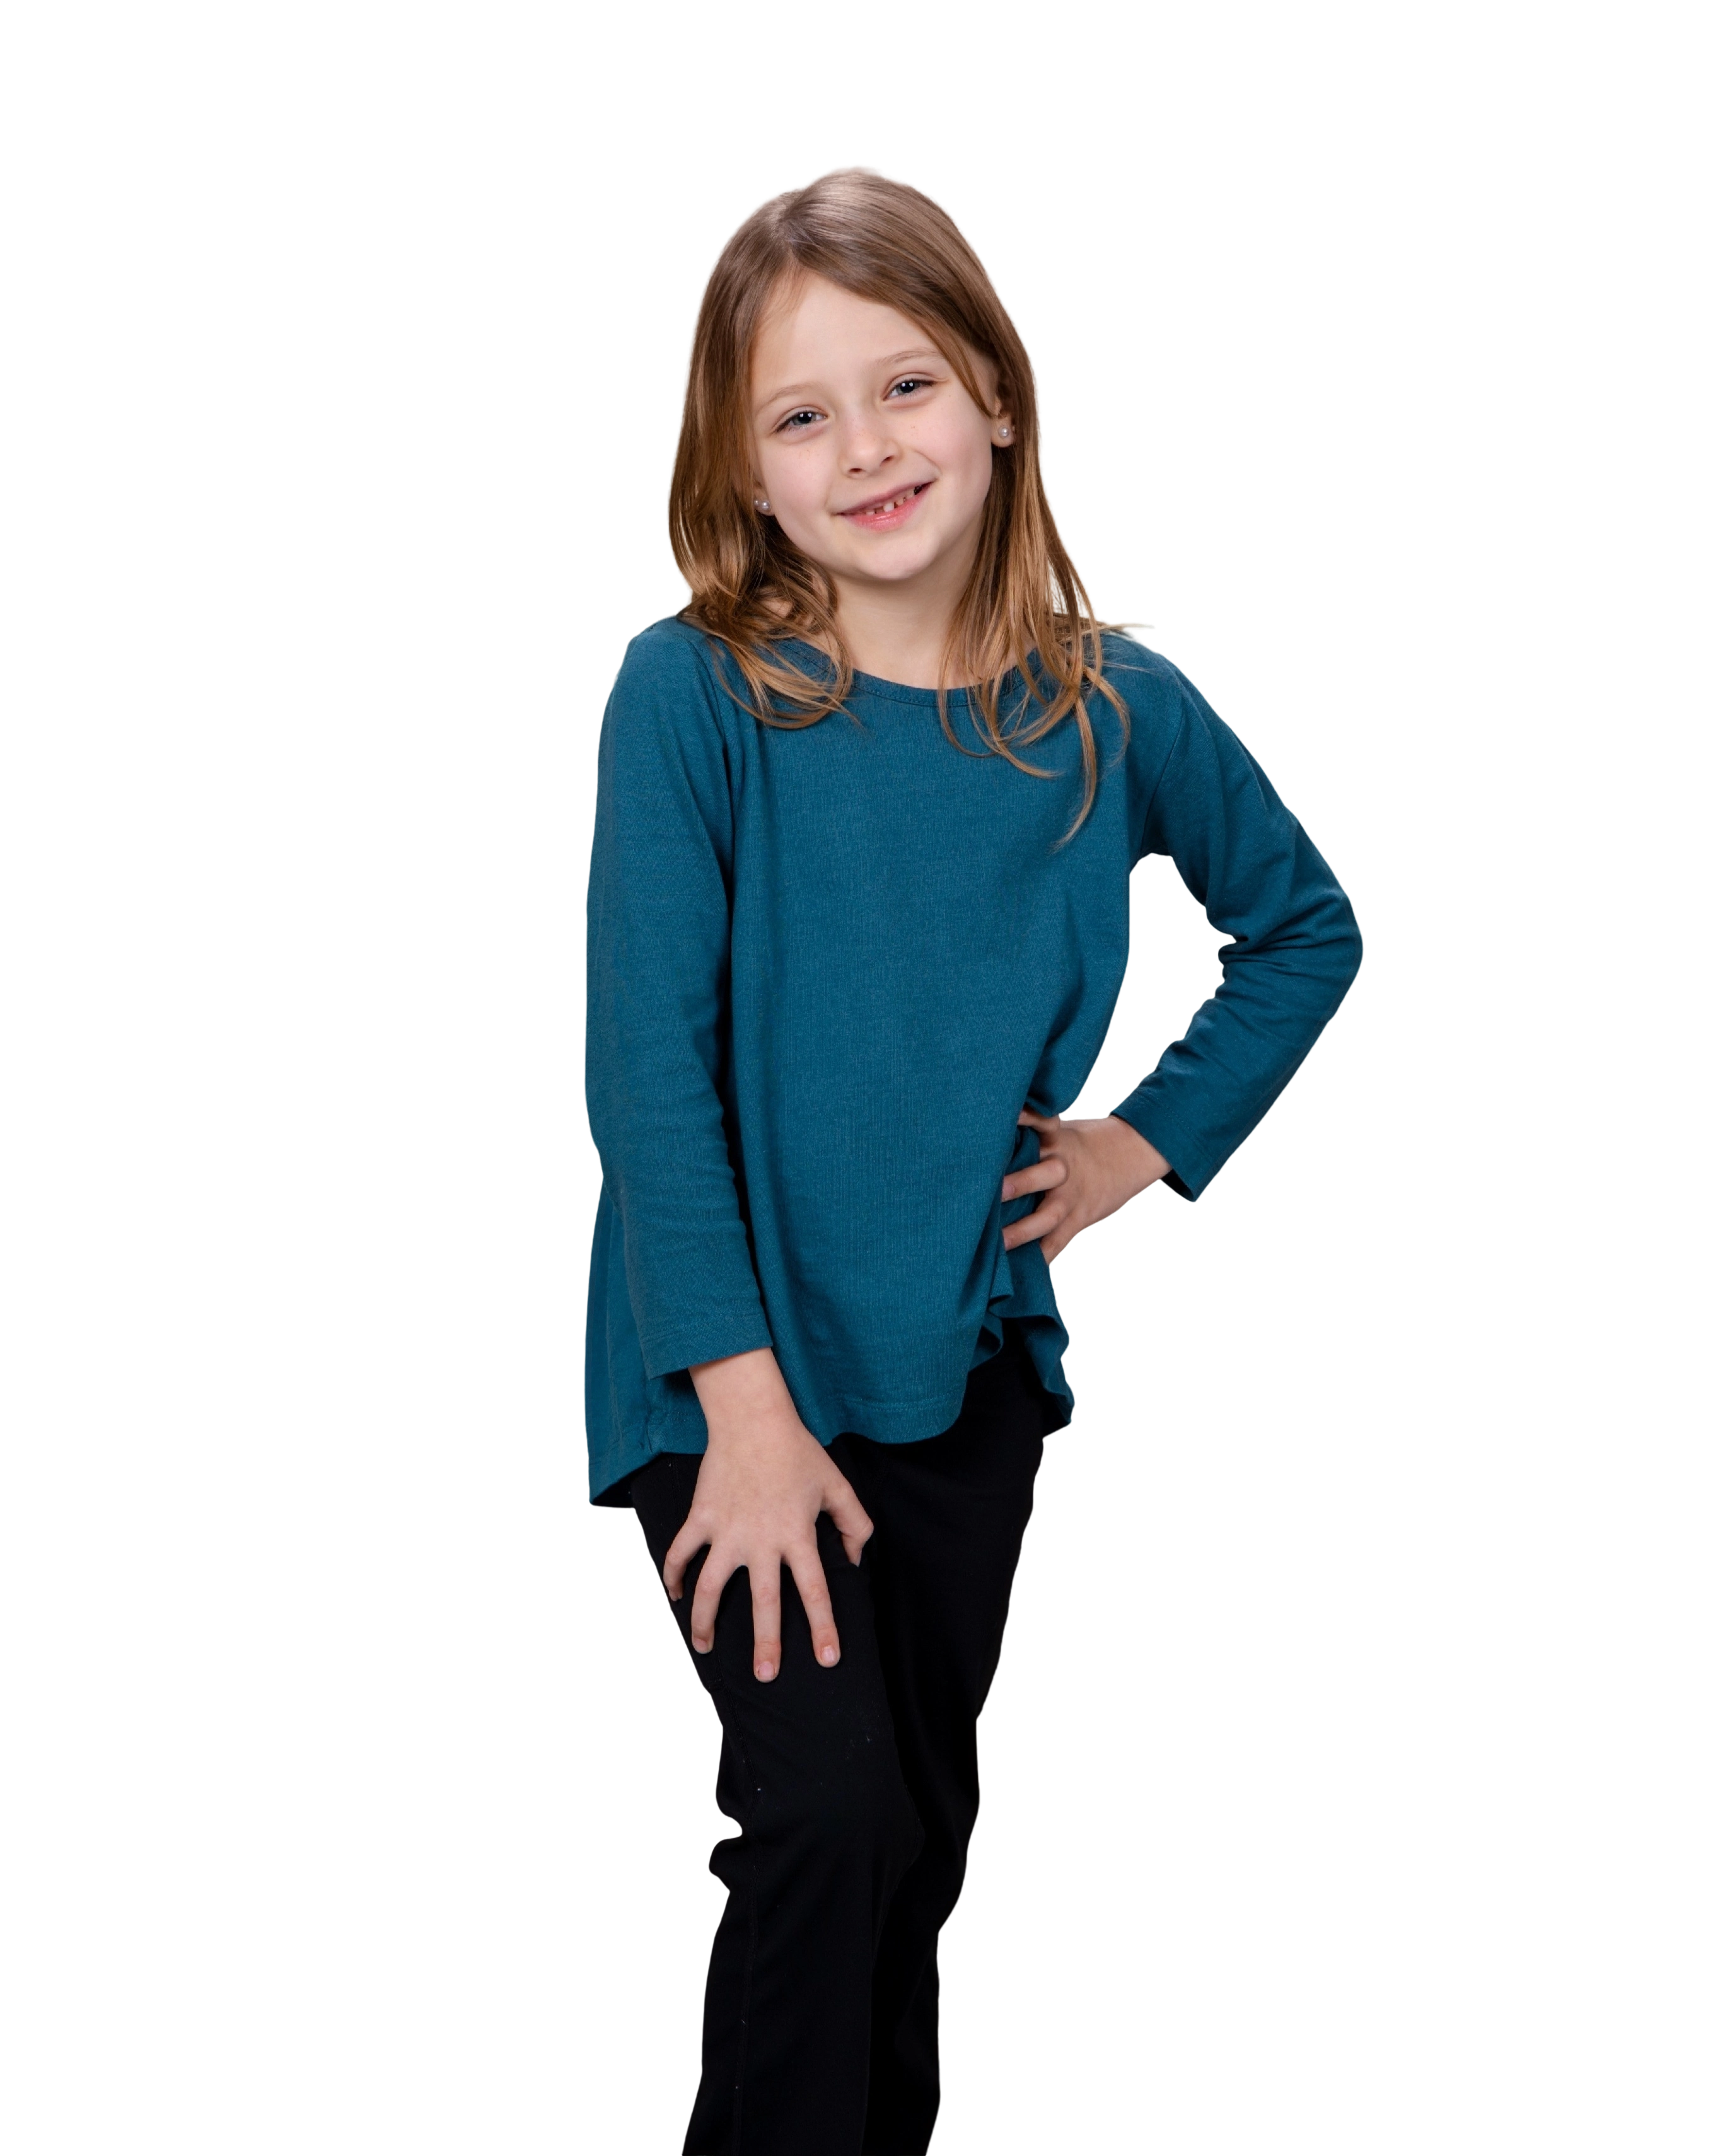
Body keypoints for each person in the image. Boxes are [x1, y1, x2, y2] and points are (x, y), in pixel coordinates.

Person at [582, 161, 1368, 2156]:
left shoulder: (1120, 709)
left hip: (963, 1360)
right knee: (827, 1811)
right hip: (726, 1372)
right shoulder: (691, 697)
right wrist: (748, 1420)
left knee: (914, 1833)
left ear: (999, 395)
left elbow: (1307, 928)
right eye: (800, 413)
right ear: (741, 469)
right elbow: (648, 1074)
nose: (865, 449)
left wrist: (1142, 1141)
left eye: (905, 385)